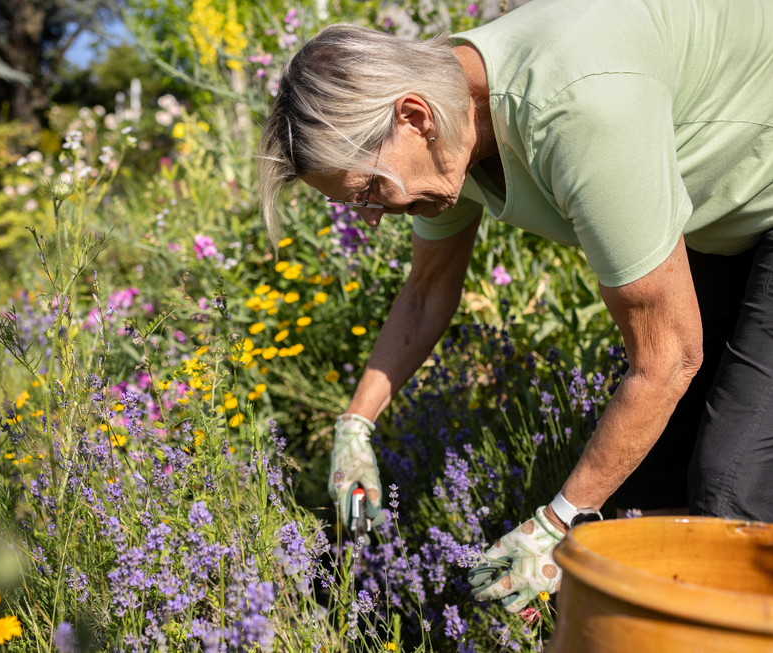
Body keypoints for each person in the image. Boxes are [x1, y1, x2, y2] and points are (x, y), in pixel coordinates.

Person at [256, 0, 773, 612]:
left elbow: (669, 357)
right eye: (353, 204)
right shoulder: (453, 117)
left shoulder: (577, 109)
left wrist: (556, 526)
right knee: (640, 495)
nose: (369, 217)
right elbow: (425, 297)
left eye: (369, 189)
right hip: (727, 213)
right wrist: (356, 424)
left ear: (413, 117)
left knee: (731, 493)